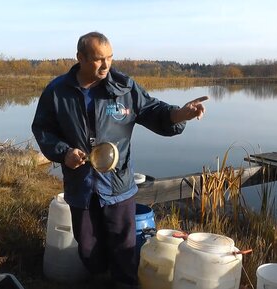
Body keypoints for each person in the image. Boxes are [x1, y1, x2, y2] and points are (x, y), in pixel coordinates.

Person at [32, 31, 208, 289]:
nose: (105, 65)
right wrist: (63, 152)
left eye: (110, 58)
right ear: (80, 57)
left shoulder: (124, 88)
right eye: (97, 59)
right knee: (88, 246)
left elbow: (154, 112)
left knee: (124, 248)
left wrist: (180, 114)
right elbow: (43, 129)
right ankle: (101, 280)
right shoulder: (58, 91)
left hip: (117, 184)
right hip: (81, 185)